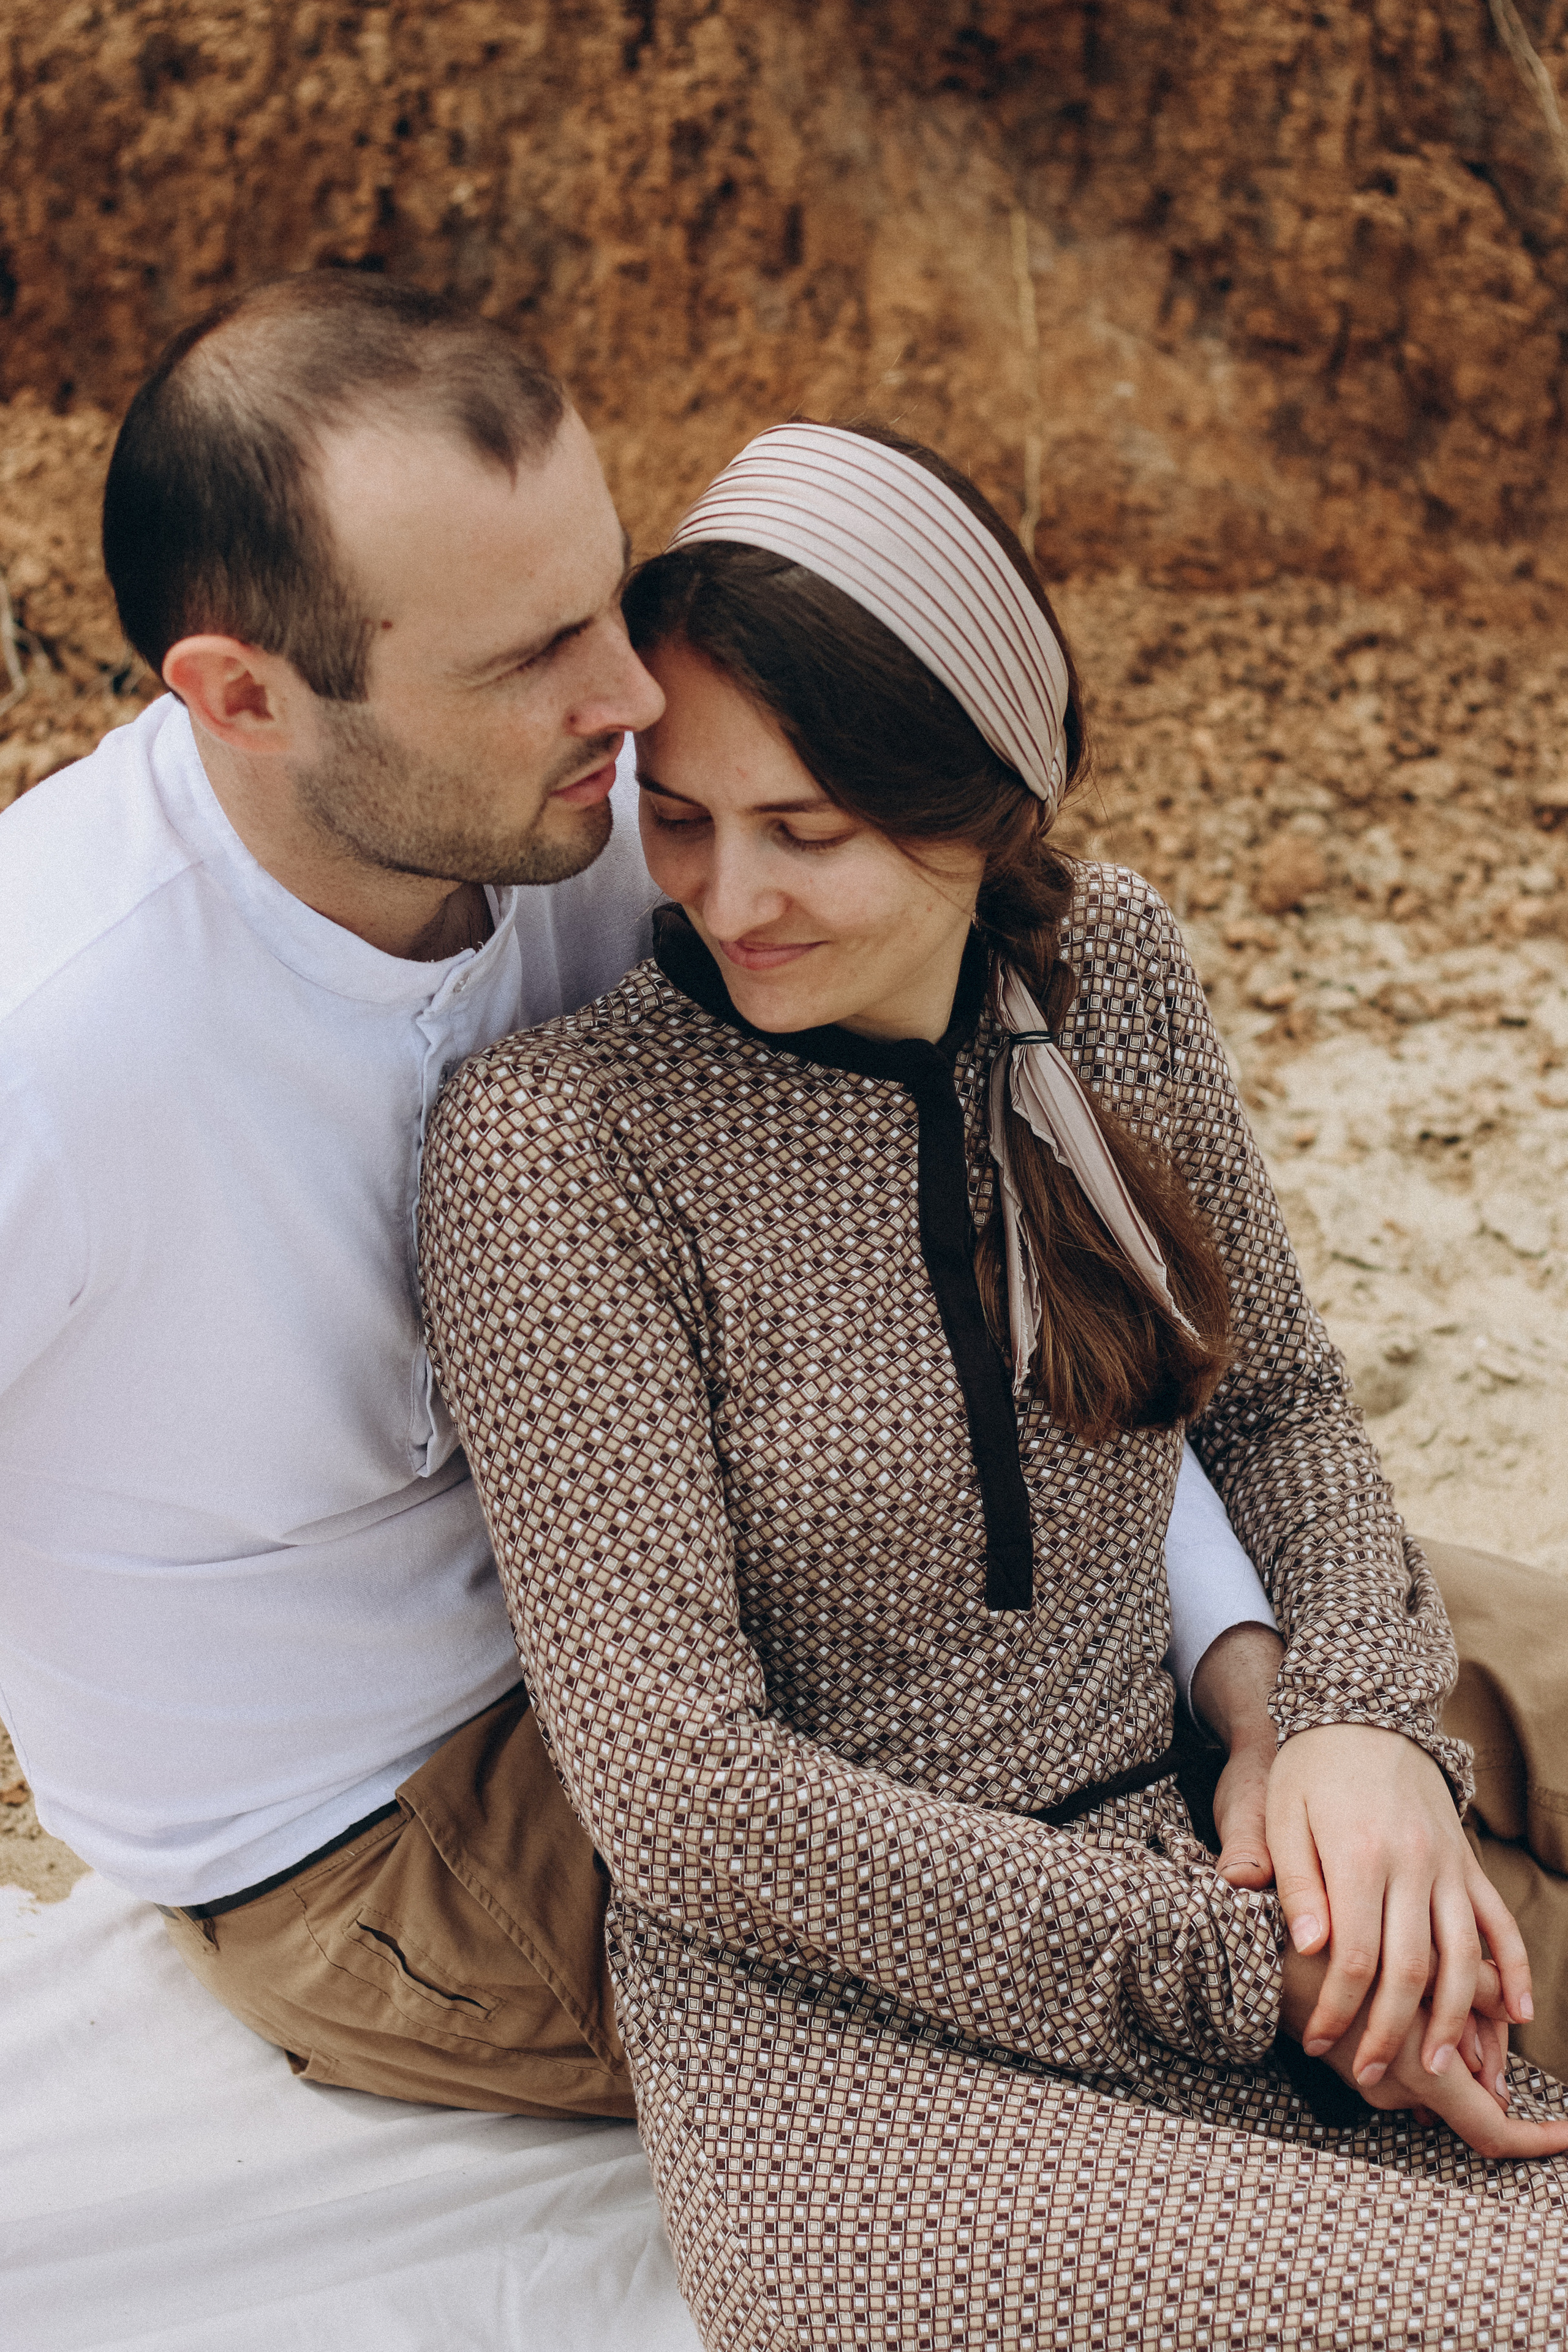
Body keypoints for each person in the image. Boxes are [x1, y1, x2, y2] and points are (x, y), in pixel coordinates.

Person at [0, 270, 1296, 2117]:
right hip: (397, 1818)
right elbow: (701, 1801)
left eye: (605, 596)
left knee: (1437, 1709)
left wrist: (1253, 1659)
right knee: (1277, 1972)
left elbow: (997, 1213)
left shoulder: (637, 819)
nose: (628, 697)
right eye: (525, 656)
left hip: (823, 1606)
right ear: (243, 697)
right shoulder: (47, 1038)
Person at [420, 420, 1568, 2346]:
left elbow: (1273, 1407)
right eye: (679, 819)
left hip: (1223, 1854)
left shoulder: (1111, 969)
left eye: (808, 832)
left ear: (986, 804)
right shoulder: (559, 1146)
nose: (727, 895)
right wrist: (1241, 1966)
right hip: (851, 2052)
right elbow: (687, 1794)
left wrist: (1356, 1734)